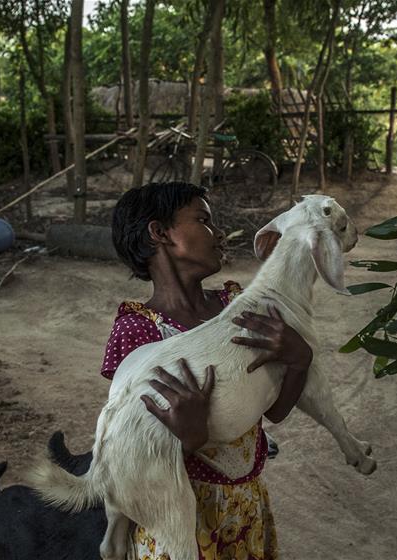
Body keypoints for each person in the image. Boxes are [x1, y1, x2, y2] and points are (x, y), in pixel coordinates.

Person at [101, 181, 312, 560]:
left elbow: (273, 411)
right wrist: (188, 440)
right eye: (203, 220)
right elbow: (130, 453)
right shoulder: (139, 331)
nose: (218, 234)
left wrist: (299, 360)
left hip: (246, 509)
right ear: (159, 232)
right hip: (176, 521)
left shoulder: (236, 309)